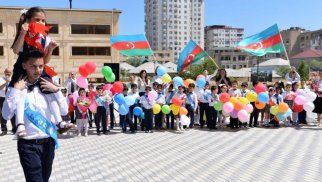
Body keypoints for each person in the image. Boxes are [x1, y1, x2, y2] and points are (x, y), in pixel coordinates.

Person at [2, 49, 72, 182]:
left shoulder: (47, 86)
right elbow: (6, 115)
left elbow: (64, 111)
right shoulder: (16, 88)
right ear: (24, 66)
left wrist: (56, 91)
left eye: (41, 66)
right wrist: (15, 90)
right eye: (33, 66)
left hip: (48, 143)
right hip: (28, 145)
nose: (38, 70)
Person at [0, 68, 16, 135]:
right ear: (4, 72)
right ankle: (4, 130)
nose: (8, 74)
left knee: (12, 113)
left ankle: (14, 129)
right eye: (7, 72)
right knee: (2, 113)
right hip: (2, 98)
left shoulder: (14, 79)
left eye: (9, 72)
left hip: (11, 98)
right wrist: (6, 82)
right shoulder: (1, 79)